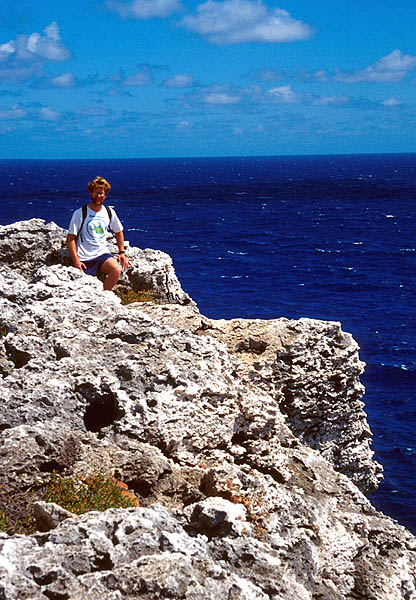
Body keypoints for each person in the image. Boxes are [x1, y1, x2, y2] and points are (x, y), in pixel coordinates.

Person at [66, 176, 130, 290]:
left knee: (116, 269)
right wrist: (76, 261)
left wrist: (121, 252)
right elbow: (70, 239)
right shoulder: (80, 213)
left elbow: (118, 231)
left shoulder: (109, 212)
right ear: (91, 193)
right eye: (96, 192)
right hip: (84, 258)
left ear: (105, 195)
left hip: (102, 255)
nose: (98, 196)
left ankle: (104, 296)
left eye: (101, 193)